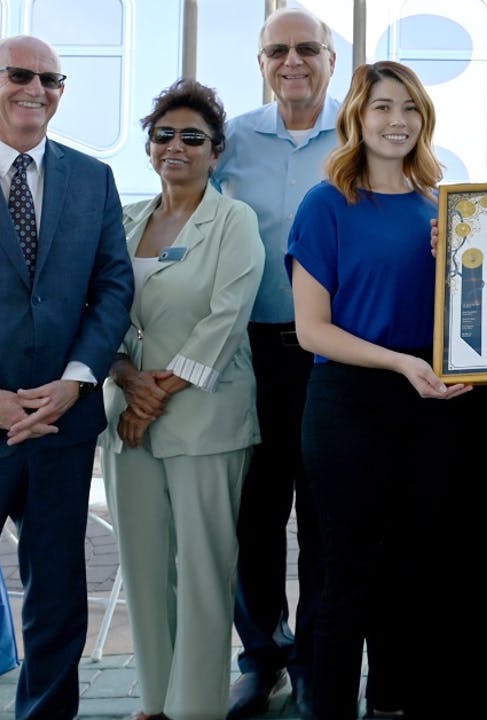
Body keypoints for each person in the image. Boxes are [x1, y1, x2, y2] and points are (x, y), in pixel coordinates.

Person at [288, 60, 467, 720]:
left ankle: (391, 703)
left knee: (413, 569)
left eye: (410, 109)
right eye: (383, 107)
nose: (398, 121)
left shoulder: (444, 207)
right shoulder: (326, 203)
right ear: (357, 119)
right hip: (350, 401)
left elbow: (471, 318)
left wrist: (464, 261)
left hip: (429, 402)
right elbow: (312, 330)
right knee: (348, 573)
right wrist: (396, 364)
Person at [101, 79, 264, 720]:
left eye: (192, 137)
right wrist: (124, 378)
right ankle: (154, 699)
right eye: (164, 134)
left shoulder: (234, 220)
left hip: (203, 415)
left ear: (215, 152)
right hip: (127, 418)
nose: (176, 146)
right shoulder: (126, 219)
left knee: (202, 567)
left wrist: (153, 394)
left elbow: (226, 318)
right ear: (148, 147)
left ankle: (195, 706)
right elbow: (105, 307)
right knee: (143, 564)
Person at [0, 34, 132, 719]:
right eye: (20, 74)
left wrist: (77, 380)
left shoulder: (92, 177)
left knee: (56, 588)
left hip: (61, 417)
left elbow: (113, 287)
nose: (37, 89)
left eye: (51, 78)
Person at [210, 7, 337, 716]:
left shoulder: (365, 132)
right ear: (260, 62)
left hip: (334, 358)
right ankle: (262, 657)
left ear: (330, 60)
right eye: (277, 51)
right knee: (252, 517)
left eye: (307, 49)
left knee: (327, 514)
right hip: (249, 354)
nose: (293, 62)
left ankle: (317, 657)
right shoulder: (228, 143)